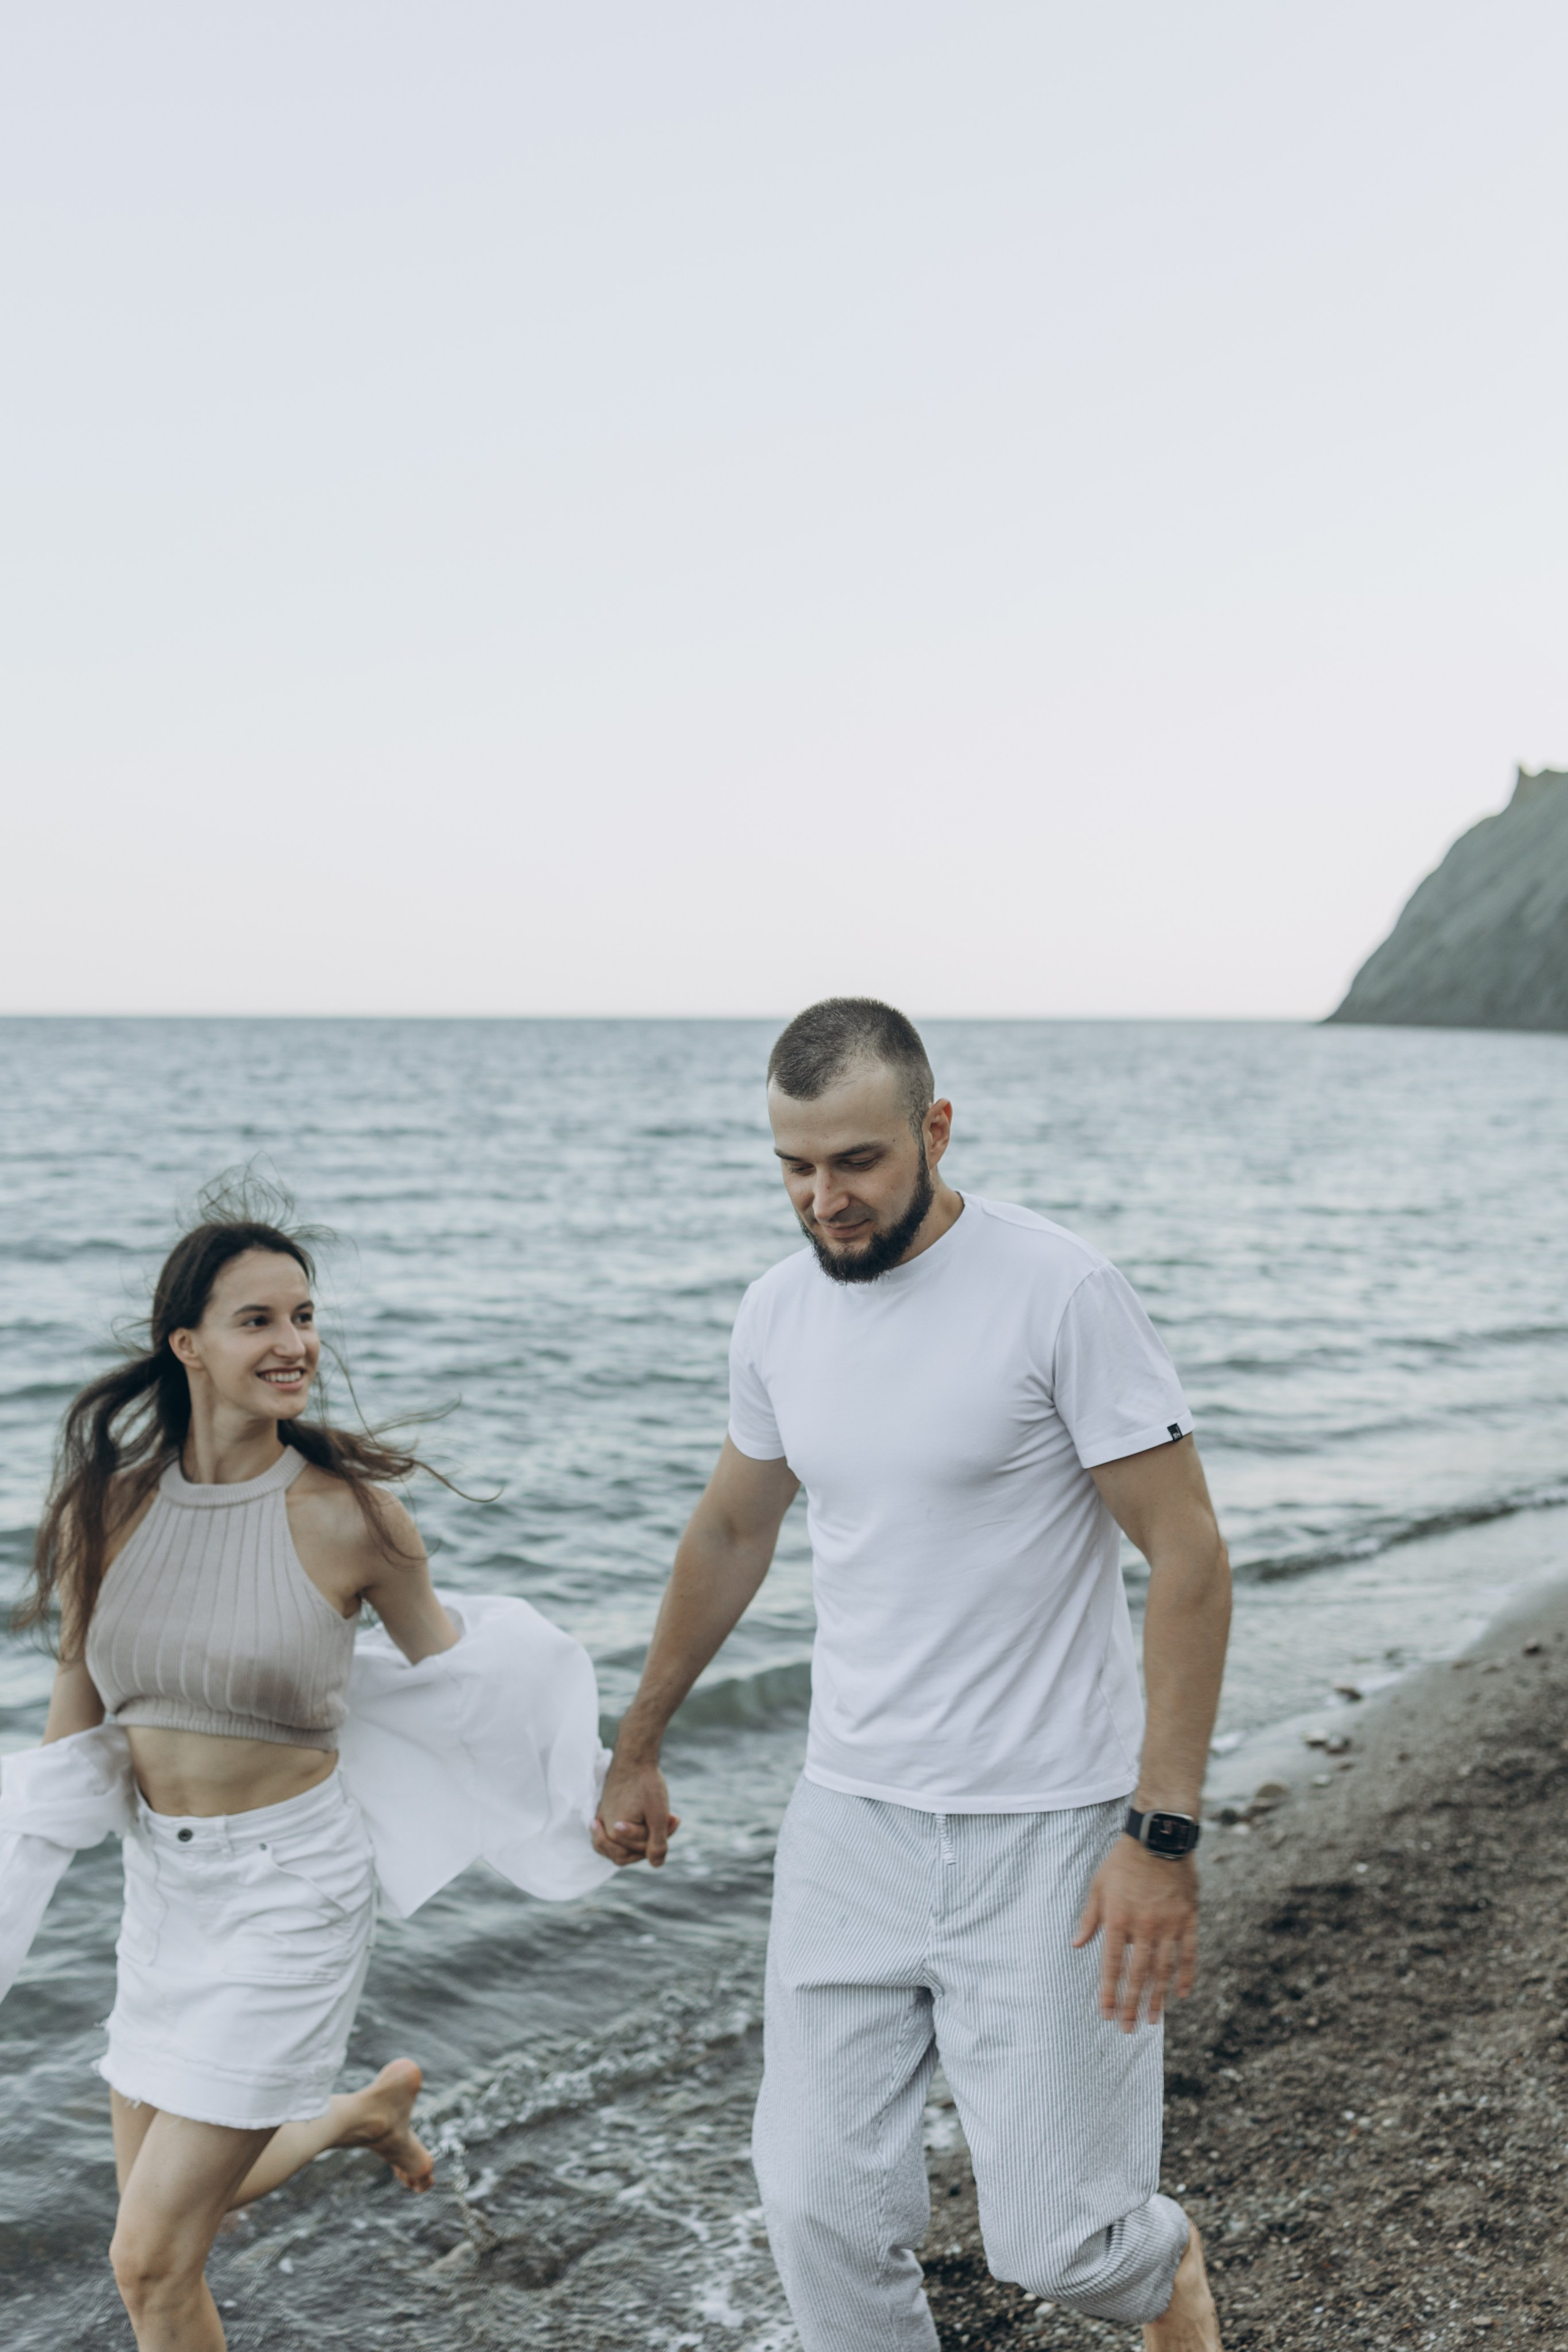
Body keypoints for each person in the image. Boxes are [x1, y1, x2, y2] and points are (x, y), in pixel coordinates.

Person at [594, 999, 1231, 2352]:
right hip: (850, 1821)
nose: (823, 1199)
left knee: (1060, 2245)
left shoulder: (1058, 1291)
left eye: (857, 1162)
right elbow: (732, 1530)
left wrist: (1160, 1834)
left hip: (1051, 1828)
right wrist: (637, 1743)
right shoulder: (776, 1314)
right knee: (815, 2212)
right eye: (793, 1166)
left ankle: (1165, 2269)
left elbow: (1187, 1554)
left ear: (934, 1128)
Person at [15, 1186, 605, 2352]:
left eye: (303, 1316)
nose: (294, 1344)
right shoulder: (103, 1513)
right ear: (187, 1345)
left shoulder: (352, 1518)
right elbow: (72, 1736)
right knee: (167, 2223)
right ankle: (354, 2118)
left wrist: (600, 1788)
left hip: (294, 1891)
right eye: (258, 1321)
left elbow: (465, 1695)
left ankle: (347, 2116)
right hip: (161, 1890)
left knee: (149, 2261)